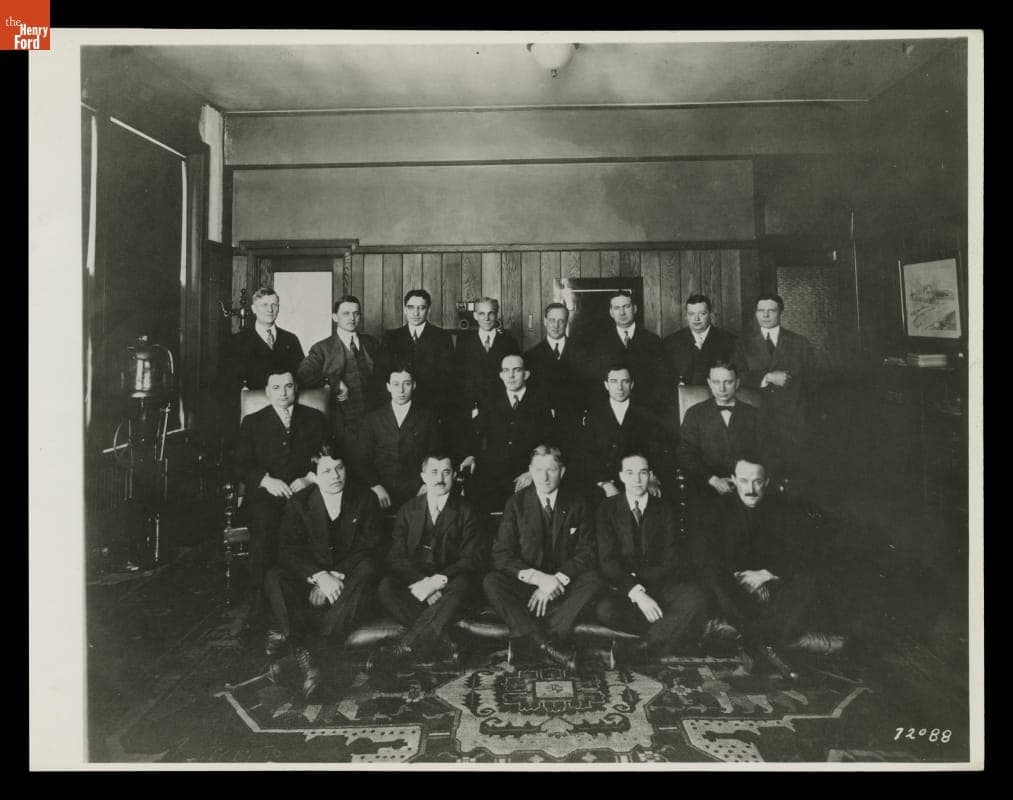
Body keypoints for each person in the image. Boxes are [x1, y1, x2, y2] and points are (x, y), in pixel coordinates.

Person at [690, 457, 843, 661]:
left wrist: (767, 574)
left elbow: (797, 553)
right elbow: (706, 558)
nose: (750, 489)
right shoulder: (716, 509)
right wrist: (739, 578)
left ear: (767, 482)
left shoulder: (781, 510)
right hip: (734, 587)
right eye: (743, 481)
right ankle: (784, 640)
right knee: (716, 580)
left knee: (808, 579)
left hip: (770, 587)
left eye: (757, 481)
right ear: (734, 480)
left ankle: (752, 638)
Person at [263, 445, 383, 698]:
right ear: (314, 476)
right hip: (311, 581)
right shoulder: (299, 502)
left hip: (348, 581)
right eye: (326, 471)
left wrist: (334, 576)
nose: (335, 475)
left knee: (370, 568)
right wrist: (319, 576)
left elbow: (370, 546)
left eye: (339, 468)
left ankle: (310, 655)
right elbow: (287, 550)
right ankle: (311, 654)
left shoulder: (365, 499)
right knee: (274, 576)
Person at [483, 446, 606, 672]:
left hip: (563, 586)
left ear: (562, 471)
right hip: (527, 586)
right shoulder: (516, 503)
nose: (545, 476)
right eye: (539, 470)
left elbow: (587, 552)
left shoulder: (578, 503)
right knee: (492, 581)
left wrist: (556, 580)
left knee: (594, 580)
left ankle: (531, 640)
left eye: (551, 469)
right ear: (530, 471)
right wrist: (538, 579)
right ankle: (549, 647)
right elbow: (502, 555)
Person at [368, 453, 486, 670]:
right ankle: (447, 643)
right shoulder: (408, 510)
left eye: (446, 472)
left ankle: (404, 647)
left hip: (450, 584)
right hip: (417, 587)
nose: (440, 478)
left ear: (454, 476)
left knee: (464, 583)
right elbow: (395, 557)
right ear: (423, 476)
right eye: (434, 472)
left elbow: (472, 558)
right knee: (386, 587)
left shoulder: (467, 511)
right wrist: (423, 583)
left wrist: (437, 582)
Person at [595, 452, 707, 660]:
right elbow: (608, 562)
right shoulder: (607, 509)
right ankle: (672, 633)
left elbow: (672, 559)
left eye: (642, 473)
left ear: (650, 475)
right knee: (605, 611)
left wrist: (649, 589)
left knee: (696, 598)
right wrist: (638, 593)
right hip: (626, 589)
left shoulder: (665, 509)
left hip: (661, 585)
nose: (637, 479)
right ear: (621, 476)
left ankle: (643, 647)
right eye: (630, 473)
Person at [233, 370, 327, 601]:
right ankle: (259, 597)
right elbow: (239, 464)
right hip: (266, 494)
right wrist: (266, 480)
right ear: (266, 392)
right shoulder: (253, 422)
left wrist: (309, 477)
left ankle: (309, 590)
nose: (283, 393)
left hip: (305, 492)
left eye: (288, 386)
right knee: (263, 519)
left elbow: (330, 455)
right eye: (276, 387)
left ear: (296, 388)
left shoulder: (315, 417)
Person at [458, 354, 556, 513]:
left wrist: (533, 472)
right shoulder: (490, 400)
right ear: (501, 375)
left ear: (526, 374)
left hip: (527, 473)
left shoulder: (540, 401)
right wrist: (471, 455)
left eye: (516, 370)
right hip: (493, 473)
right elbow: (474, 433)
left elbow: (549, 442)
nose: (511, 375)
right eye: (506, 370)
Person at [732, 294, 815, 471]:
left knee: (794, 471)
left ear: (781, 312)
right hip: (756, 416)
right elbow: (736, 376)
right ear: (755, 313)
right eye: (761, 311)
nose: (766, 315)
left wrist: (789, 380)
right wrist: (767, 377)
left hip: (793, 419)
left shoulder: (799, 343)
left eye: (771, 310)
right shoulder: (743, 343)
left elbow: (812, 379)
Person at [297, 295, 382, 448]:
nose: (352, 318)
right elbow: (303, 375)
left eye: (356, 313)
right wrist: (334, 382)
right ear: (335, 317)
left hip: (374, 418)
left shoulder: (371, 343)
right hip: (341, 422)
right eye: (346, 313)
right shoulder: (322, 348)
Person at [356, 367, 443, 510]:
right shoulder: (373, 418)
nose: (401, 390)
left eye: (406, 384)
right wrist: (375, 486)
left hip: (417, 490)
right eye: (396, 384)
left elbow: (435, 455)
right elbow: (362, 459)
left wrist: (428, 483)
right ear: (388, 387)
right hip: (381, 490)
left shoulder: (427, 417)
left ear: (414, 385)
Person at [578, 365, 663, 502]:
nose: (619, 387)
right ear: (606, 385)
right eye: (614, 381)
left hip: (637, 480)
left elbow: (655, 450)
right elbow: (588, 453)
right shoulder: (594, 415)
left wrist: (651, 478)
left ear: (632, 384)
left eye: (625, 381)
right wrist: (605, 483)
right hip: (604, 482)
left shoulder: (645, 414)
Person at [677, 362, 762, 496]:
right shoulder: (695, 413)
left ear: (737, 383)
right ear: (709, 383)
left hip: (747, 489)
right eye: (716, 382)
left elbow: (765, 452)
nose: (722, 389)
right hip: (706, 488)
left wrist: (748, 481)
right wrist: (713, 480)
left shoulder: (754, 415)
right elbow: (685, 454)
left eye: (728, 382)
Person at [379, 289, 455, 423]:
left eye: (421, 308)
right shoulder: (391, 337)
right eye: (411, 307)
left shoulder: (442, 337)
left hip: (432, 409)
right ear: (404, 309)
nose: (416, 313)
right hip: (400, 408)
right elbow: (382, 374)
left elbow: (447, 379)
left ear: (429, 310)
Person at [524, 302, 589, 452]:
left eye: (561, 321)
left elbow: (589, 388)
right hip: (542, 426)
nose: (556, 325)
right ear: (545, 321)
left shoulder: (583, 353)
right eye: (552, 320)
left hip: (575, 425)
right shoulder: (531, 356)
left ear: (567, 322)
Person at [589, 290, 667, 413]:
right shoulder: (599, 344)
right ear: (611, 312)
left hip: (647, 412)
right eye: (617, 308)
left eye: (626, 306)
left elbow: (661, 381)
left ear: (635, 309)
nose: (622, 312)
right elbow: (596, 382)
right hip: (611, 412)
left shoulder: (653, 341)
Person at [228, 287, 305, 391]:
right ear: (254, 309)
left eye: (274, 305)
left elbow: (301, 379)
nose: (270, 310)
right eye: (264, 305)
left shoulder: (291, 340)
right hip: (252, 405)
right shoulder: (237, 342)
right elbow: (228, 385)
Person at [453, 297, 521, 415]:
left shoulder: (509, 342)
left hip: (501, 408)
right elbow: (458, 377)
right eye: (481, 314)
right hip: (471, 408)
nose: (486, 318)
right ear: (475, 316)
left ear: (496, 315)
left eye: (491, 313)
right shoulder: (464, 342)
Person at [662, 294, 737, 388]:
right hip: (682, 399)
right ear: (686, 316)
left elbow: (737, 376)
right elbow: (664, 377)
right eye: (691, 314)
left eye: (702, 314)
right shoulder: (671, 342)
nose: (696, 319)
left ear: (711, 314)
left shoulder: (729, 340)